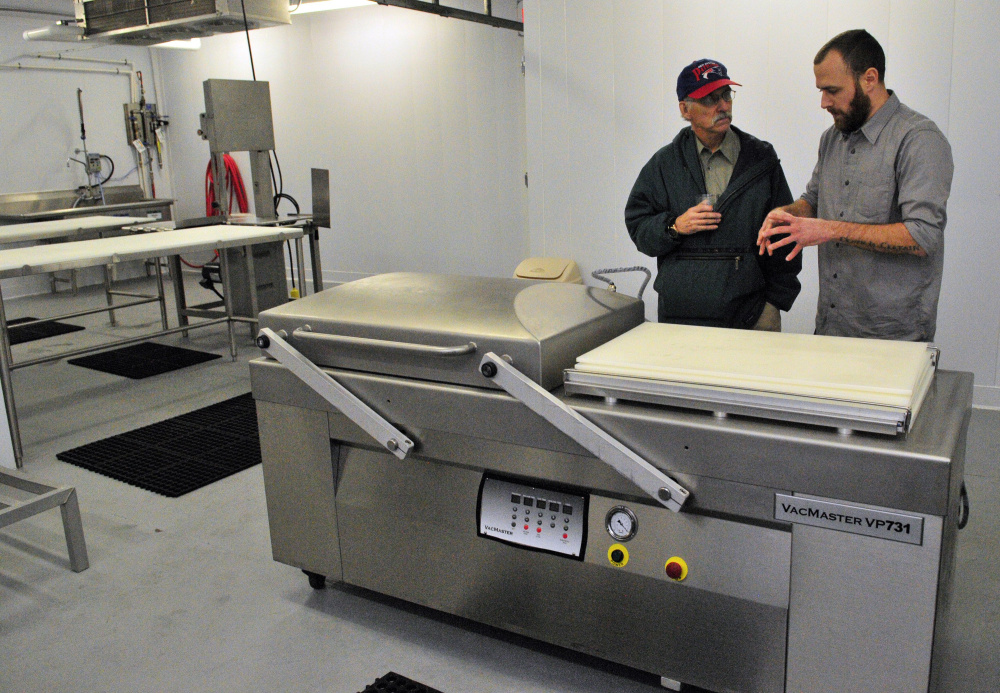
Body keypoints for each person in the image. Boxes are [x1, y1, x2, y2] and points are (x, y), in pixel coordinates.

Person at [757, 29, 953, 341]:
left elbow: (922, 236)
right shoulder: (832, 138)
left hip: (892, 338)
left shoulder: (918, 139)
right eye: (821, 91)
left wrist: (831, 230)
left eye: (832, 90)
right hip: (833, 326)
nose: (823, 102)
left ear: (870, 79)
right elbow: (814, 199)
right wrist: (788, 214)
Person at [625, 59, 801, 331]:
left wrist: (775, 302)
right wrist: (674, 227)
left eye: (726, 95)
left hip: (753, 316)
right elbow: (639, 228)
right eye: (709, 99)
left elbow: (786, 231)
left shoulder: (761, 160)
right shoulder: (664, 164)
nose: (723, 106)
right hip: (680, 320)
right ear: (685, 109)